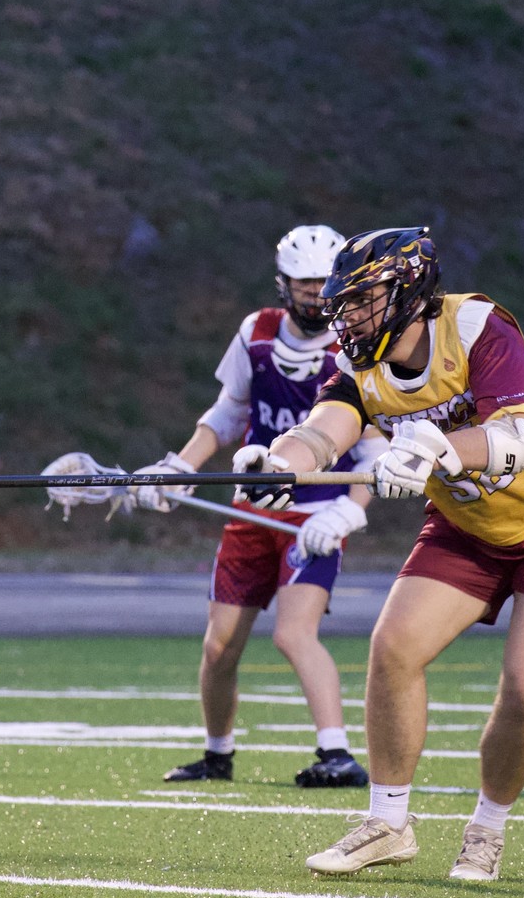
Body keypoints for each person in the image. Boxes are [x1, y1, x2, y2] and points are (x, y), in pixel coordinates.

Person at [234, 227, 524, 881]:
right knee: (394, 648)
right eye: (342, 304)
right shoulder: (359, 364)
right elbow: (323, 432)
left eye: (361, 301)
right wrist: (278, 464)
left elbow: (517, 438)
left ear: (409, 292)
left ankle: (487, 829)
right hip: (469, 523)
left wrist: (434, 447)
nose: (347, 317)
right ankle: (388, 823)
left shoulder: (476, 326)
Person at [130, 225, 390, 789]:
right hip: (252, 510)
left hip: (315, 516)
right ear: (283, 283)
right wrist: (181, 467)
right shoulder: (258, 333)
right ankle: (216, 755)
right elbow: (228, 412)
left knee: (294, 634)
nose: (315, 293)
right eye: (304, 282)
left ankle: (337, 753)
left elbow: (374, 449)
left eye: (324, 281)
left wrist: (349, 511)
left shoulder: (355, 348)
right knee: (219, 644)